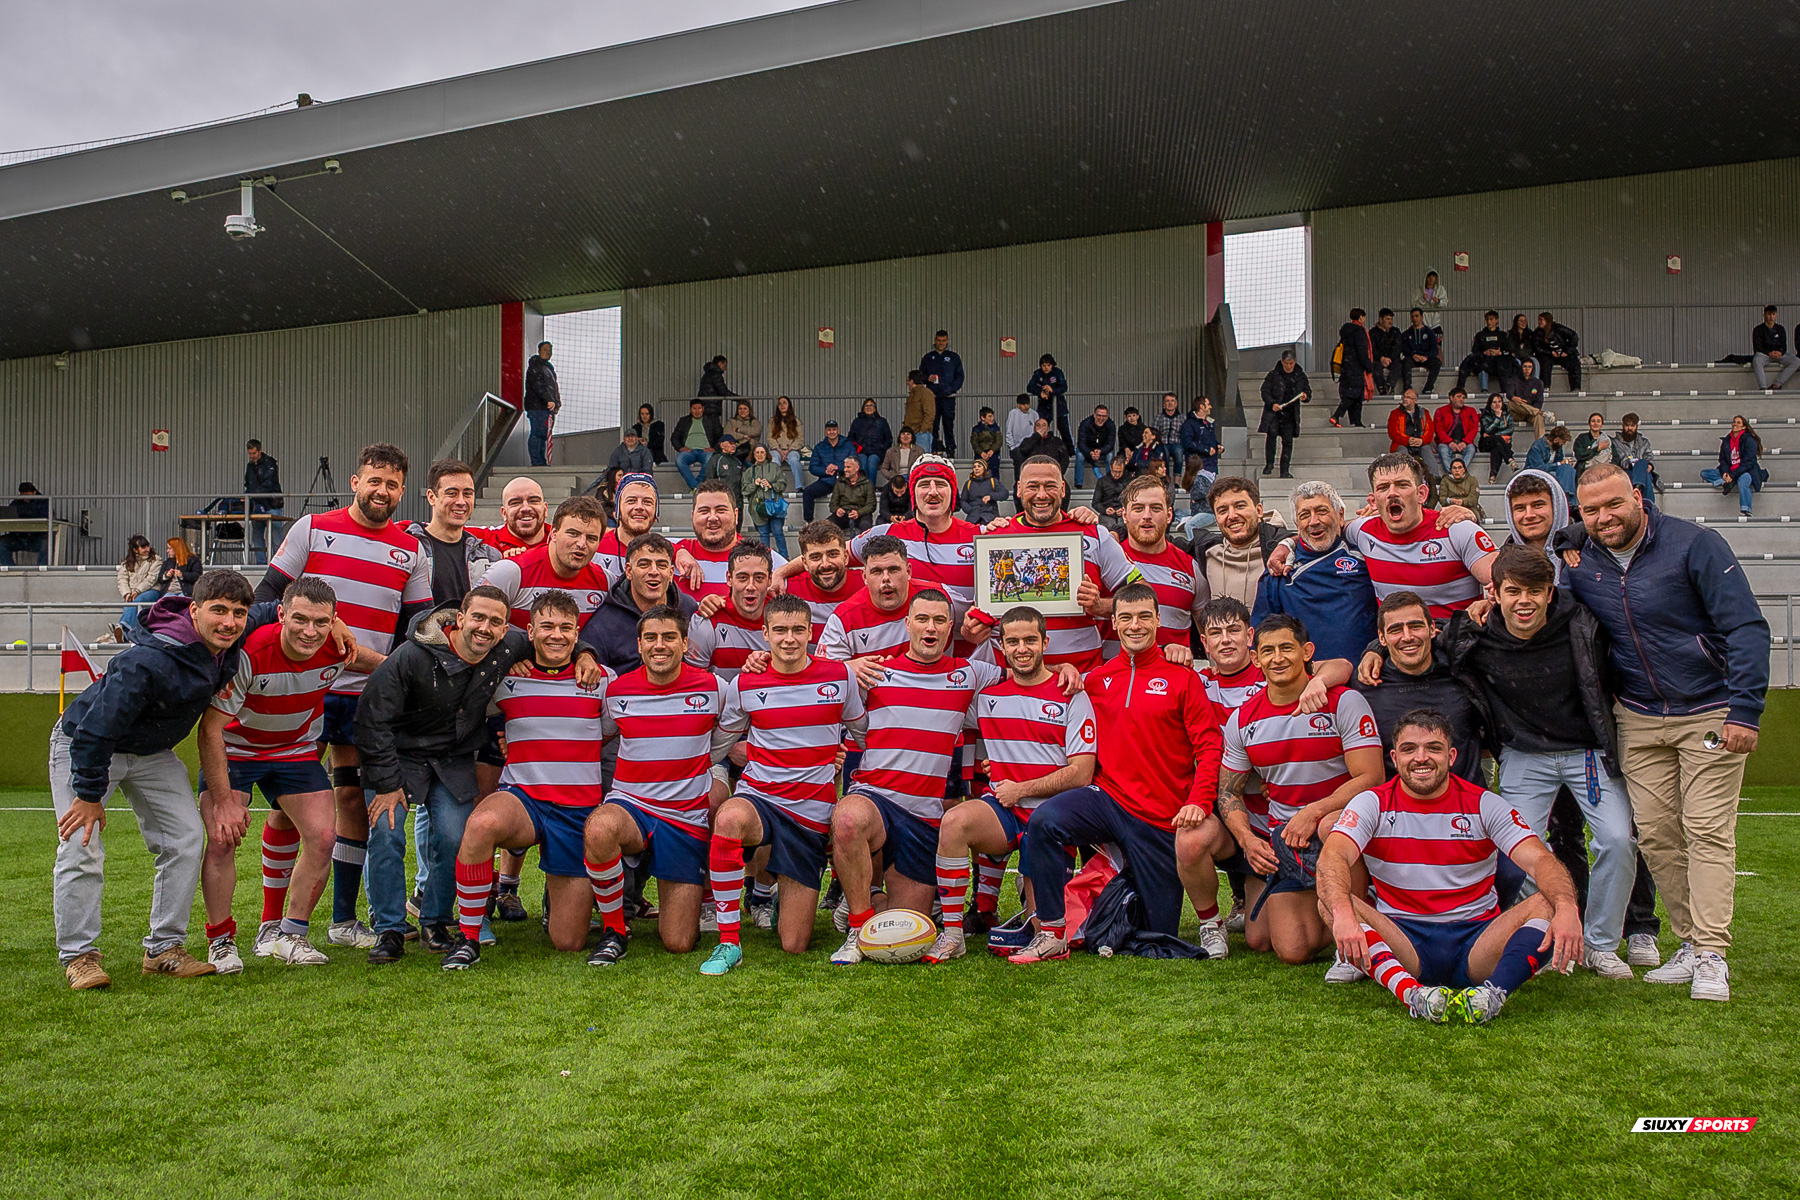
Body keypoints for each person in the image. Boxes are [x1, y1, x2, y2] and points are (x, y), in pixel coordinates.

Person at [1555, 465, 1770, 1002]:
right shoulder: (1581, 561)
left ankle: (1713, 955)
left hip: (1710, 709)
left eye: (1614, 505)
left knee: (1706, 830)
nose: (1604, 518)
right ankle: (1692, 943)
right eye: (1590, 511)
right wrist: (1567, 539)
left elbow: (1747, 627)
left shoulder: (1696, 544)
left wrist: (1744, 710)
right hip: (1639, 716)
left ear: (1639, 498)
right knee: (1655, 835)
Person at [356, 586, 597, 962]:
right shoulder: (410, 657)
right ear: (460, 619)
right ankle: (388, 929)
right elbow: (371, 719)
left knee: (454, 836)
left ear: (506, 631)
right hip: (399, 754)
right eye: (478, 618)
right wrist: (386, 785)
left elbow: (559, 636)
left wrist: (586, 654)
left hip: (452, 755)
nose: (485, 627)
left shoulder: (509, 646)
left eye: (496, 622)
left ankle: (435, 920)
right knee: (388, 833)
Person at [257, 443, 433, 951]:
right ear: (355, 482)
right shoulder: (312, 528)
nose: (382, 491)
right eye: (373, 480)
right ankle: (272, 925)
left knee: (354, 800)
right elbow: (269, 599)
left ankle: (342, 919)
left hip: (366, 698)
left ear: (402, 492)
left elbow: (415, 629)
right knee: (290, 804)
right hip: (304, 690)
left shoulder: (411, 550)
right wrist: (324, 627)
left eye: (392, 484)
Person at [51, 570, 260, 988]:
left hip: (151, 753)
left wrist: (335, 621)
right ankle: (79, 955)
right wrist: (90, 795)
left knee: (185, 838)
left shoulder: (227, 638)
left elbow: (272, 609)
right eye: (219, 610)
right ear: (194, 610)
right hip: (88, 746)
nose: (229, 622)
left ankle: (164, 948)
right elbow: (95, 731)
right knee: (81, 844)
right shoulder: (147, 660)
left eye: (239, 613)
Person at [1438, 545, 1639, 979]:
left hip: (1585, 751)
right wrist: (1375, 650)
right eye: (1513, 591)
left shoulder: (1583, 624)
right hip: (1524, 754)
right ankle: (1538, 933)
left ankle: (1601, 943)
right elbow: (1415, 640)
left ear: (1550, 593)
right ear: (1495, 592)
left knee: (1618, 840)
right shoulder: (1473, 632)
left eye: (1534, 591)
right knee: (1516, 852)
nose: (1523, 601)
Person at [1317, 710, 1582, 1023]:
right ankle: (1412, 994)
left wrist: (1567, 907)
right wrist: (1345, 915)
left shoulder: (1484, 804)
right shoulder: (1372, 802)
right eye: (1409, 749)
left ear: (1451, 755)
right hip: (1404, 937)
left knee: (1550, 901)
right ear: (1394, 757)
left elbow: (1541, 859)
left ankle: (1492, 995)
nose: (1421, 758)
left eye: (1433, 748)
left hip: (1476, 940)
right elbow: (1333, 856)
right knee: (1331, 901)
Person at [1014, 583, 1221, 962]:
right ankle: (1052, 932)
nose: (1135, 625)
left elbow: (1209, 746)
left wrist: (1198, 801)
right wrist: (1065, 669)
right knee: (1045, 822)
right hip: (1108, 799)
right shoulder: (1095, 680)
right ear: (1114, 622)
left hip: (1160, 818)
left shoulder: (1182, 678)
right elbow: (1044, 703)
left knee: (1158, 934)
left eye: (1144, 616)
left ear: (1159, 620)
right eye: (1126, 617)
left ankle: (1114, 885)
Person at [827, 590, 1006, 964]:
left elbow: (1024, 673)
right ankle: (857, 927)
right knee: (847, 818)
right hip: (875, 797)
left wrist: (1066, 671)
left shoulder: (969, 673)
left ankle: (857, 900)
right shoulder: (874, 671)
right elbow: (814, 681)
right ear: (907, 624)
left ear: (950, 628)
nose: (931, 628)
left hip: (924, 817)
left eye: (940, 621)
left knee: (907, 926)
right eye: (922, 619)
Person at [195, 577, 363, 969]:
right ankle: (221, 941)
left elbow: (374, 662)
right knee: (222, 839)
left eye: (322, 622)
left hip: (294, 751)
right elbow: (210, 728)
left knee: (323, 837)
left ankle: (288, 934)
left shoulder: (337, 649)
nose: (310, 631)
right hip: (235, 750)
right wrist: (222, 801)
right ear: (282, 614)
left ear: (334, 621)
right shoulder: (250, 651)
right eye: (300, 619)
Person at [440, 591, 609, 970]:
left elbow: (613, 731)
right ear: (529, 631)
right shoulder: (506, 678)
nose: (556, 635)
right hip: (525, 799)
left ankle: (562, 907)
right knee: (482, 823)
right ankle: (469, 935)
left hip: (577, 810)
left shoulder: (599, 680)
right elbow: (468, 715)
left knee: (569, 942)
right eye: (546, 626)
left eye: (566, 628)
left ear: (578, 633)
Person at [1202, 616, 1384, 966]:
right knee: (1289, 949)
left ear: (1307, 652)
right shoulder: (1242, 720)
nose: (1278, 658)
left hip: (1339, 826)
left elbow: (1371, 777)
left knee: (1332, 825)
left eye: (1287, 648)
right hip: (1288, 839)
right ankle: (1334, 906)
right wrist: (1247, 840)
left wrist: (1313, 812)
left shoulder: (1343, 701)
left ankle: (1363, 914)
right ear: (1256, 659)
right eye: (1268, 651)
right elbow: (1228, 793)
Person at [700, 595, 867, 972]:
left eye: (797, 630)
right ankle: (729, 942)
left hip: (810, 813)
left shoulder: (840, 677)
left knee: (793, 943)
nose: (789, 639)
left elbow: (863, 735)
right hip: (760, 797)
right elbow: (719, 745)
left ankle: (778, 897)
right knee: (728, 819)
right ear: (766, 634)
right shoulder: (745, 683)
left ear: (811, 632)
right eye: (779, 630)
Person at [925, 607, 1097, 963]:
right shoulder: (988, 698)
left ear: (1045, 642)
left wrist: (1022, 788)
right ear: (1001, 647)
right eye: (1013, 641)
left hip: (1051, 820)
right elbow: (937, 690)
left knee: (1045, 930)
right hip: (1004, 810)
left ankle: (1034, 910)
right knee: (954, 821)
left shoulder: (1072, 694)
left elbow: (1081, 773)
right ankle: (953, 934)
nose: (1022, 648)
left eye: (1031, 640)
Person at [580, 605, 725, 965]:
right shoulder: (616, 691)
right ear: (640, 645)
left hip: (685, 817)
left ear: (685, 643)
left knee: (678, 942)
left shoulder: (715, 687)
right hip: (632, 805)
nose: (659, 645)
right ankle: (614, 931)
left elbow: (740, 731)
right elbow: (597, 736)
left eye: (669, 637)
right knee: (599, 828)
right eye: (651, 638)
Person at [974, 456, 1141, 673]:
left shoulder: (1093, 534)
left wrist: (1100, 606)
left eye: (1050, 486)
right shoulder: (995, 538)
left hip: (1083, 678)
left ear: (1063, 489)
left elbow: (1141, 594)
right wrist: (973, 629)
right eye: (1032, 486)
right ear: (1018, 490)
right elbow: (978, 614)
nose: (1041, 494)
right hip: (1015, 684)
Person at [1354, 592, 1493, 788]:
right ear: (1382, 638)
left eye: (1415, 626)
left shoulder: (1463, 667)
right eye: (1395, 630)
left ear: (1432, 628)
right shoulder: (1364, 683)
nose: (1407, 637)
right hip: (1396, 809)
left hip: (1467, 805)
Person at [1252, 480, 1376, 668]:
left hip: (1366, 678)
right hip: (1307, 685)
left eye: (1322, 511)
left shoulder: (1365, 555)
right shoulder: (1280, 570)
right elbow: (1262, 638)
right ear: (1297, 524)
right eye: (1304, 515)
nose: (1314, 521)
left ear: (1340, 515)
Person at [1106, 475, 1208, 655]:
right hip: (1115, 679)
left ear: (1169, 515)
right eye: (1138, 509)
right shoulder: (1105, 562)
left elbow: (1207, 632)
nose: (1147, 516)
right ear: (1124, 515)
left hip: (1173, 679)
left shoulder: (1191, 567)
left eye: (1155, 508)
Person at [483, 495, 611, 631]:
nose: (581, 544)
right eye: (573, 534)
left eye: (591, 538)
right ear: (554, 533)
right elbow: (475, 623)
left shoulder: (605, 581)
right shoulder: (510, 572)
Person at [580, 533, 700, 675]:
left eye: (661, 565)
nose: (654, 571)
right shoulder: (603, 623)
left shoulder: (689, 609)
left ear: (671, 573)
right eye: (644, 565)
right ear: (629, 571)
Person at [405, 459, 502, 608]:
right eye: (452, 493)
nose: (461, 501)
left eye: (468, 493)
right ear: (431, 497)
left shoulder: (488, 557)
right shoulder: (408, 549)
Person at [673, 479, 786, 602]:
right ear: (693, 516)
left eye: (721, 510)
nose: (712, 518)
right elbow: (650, 542)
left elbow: (807, 562)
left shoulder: (763, 559)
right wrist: (677, 551)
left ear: (736, 515)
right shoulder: (672, 554)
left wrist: (784, 571)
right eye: (704, 511)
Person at [818, 534, 919, 662]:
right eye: (876, 571)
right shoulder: (844, 618)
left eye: (893, 570)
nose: (885, 578)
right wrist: (850, 669)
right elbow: (826, 674)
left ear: (908, 571)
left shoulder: (940, 601)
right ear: (864, 577)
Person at [1193, 476, 1283, 608]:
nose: (1232, 515)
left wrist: (1290, 542)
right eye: (1223, 511)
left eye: (1240, 506)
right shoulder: (1207, 551)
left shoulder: (1282, 549)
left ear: (1259, 510)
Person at [784, 521, 863, 653]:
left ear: (846, 557)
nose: (825, 564)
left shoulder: (867, 585)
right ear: (804, 563)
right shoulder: (787, 590)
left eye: (833, 555)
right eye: (816, 557)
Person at [592, 474, 658, 581]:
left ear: (656, 512)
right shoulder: (593, 548)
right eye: (631, 501)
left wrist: (680, 552)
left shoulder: (666, 554)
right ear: (617, 511)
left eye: (647, 502)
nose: (639, 507)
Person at [1701, 414, 1766, 516]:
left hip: (1745, 471)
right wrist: (1725, 473)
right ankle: (1725, 481)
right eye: (1734, 422)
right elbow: (1723, 460)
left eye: (1738, 422)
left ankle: (1746, 509)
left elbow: (1749, 463)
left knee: (1744, 481)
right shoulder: (1727, 441)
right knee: (1705, 473)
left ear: (1744, 427)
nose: (1735, 424)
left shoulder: (1749, 441)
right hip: (1730, 471)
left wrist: (1733, 475)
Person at [468, 476, 549, 557]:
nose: (526, 508)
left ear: (545, 509)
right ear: (504, 513)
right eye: (515, 503)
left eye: (533, 501)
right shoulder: (484, 539)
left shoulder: (558, 539)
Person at [1259, 350, 1310, 477]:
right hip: (1275, 412)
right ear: (1282, 362)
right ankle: (1269, 463)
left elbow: (1307, 391)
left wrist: (1305, 396)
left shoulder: (1300, 376)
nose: (1289, 366)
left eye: (1291, 363)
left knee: (1288, 441)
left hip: (1290, 413)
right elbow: (1265, 391)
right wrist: (1272, 403)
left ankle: (1285, 469)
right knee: (1271, 436)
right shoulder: (1273, 375)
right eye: (1286, 363)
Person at [922, 330, 965, 456]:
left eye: (943, 341)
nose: (941, 343)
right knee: (933, 424)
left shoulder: (953, 357)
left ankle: (950, 449)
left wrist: (951, 390)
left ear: (947, 341)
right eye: (939, 340)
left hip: (948, 397)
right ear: (935, 340)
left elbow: (960, 376)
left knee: (948, 425)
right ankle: (934, 450)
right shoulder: (928, 357)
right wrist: (927, 378)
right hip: (932, 397)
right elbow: (920, 375)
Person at [1331, 308, 1376, 428]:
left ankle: (1356, 421)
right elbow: (1362, 352)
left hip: (1346, 368)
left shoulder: (1346, 331)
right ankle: (1337, 415)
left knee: (1356, 396)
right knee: (1353, 395)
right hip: (1356, 369)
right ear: (1361, 317)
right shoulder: (1359, 331)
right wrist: (1369, 366)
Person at [743, 444, 790, 556]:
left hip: (774, 506)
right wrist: (754, 484)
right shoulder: (749, 471)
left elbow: (783, 484)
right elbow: (744, 490)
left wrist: (771, 485)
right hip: (758, 508)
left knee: (778, 532)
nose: (759, 455)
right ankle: (766, 558)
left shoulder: (774, 467)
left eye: (762, 452)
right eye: (757, 453)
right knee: (763, 534)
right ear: (753, 455)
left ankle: (784, 557)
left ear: (766, 454)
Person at [803, 420, 854, 522]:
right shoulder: (819, 447)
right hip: (826, 482)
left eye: (834, 429)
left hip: (845, 481)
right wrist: (825, 471)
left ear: (838, 430)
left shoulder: (848, 445)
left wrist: (838, 467)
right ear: (825, 431)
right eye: (829, 430)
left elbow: (855, 462)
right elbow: (812, 467)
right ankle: (809, 522)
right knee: (807, 492)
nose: (832, 432)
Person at [1455, 311, 1517, 394]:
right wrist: (1484, 352)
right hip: (1484, 361)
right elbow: (1475, 350)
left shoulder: (1503, 335)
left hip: (1500, 362)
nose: (1489, 322)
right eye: (1487, 319)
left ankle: (1505, 390)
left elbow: (1509, 349)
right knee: (1481, 367)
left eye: (1491, 319)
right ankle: (1483, 390)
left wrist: (1499, 352)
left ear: (1496, 320)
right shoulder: (1480, 335)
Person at [243, 439, 283, 563]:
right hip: (257, 505)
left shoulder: (270, 463)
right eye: (250, 454)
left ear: (260, 451)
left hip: (271, 504)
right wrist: (247, 496)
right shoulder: (250, 466)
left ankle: (279, 564)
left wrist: (252, 494)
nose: (252, 456)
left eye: (254, 453)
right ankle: (260, 563)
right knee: (257, 536)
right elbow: (248, 483)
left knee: (276, 537)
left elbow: (269, 484)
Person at [1385, 388, 1438, 482]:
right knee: (1402, 452)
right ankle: (1405, 478)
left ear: (1415, 400)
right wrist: (1408, 440)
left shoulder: (1424, 413)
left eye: (1408, 397)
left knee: (1427, 449)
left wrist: (1422, 440)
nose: (1405, 399)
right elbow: (1393, 433)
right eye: (1404, 397)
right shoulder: (1395, 413)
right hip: (1402, 443)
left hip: (1420, 443)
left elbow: (1430, 431)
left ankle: (1434, 478)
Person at [115, 534, 162, 638]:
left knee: (138, 601)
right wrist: (126, 594)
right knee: (131, 602)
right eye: (143, 547)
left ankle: (123, 627)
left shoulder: (156, 560)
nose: (147, 549)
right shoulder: (126, 563)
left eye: (147, 546)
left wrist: (137, 591)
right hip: (132, 592)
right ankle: (126, 634)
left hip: (151, 590)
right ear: (135, 550)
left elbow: (151, 579)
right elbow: (122, 579)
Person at [671, 399, 723, 490]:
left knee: (710, 460)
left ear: (703, 409)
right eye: (694, 408)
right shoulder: (684, 421)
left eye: (699, 408)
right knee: (679, 460)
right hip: (689, 452)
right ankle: (696, 486)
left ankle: (696, 486)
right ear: (690, 409)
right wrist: (680, 448)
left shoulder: (711, 420)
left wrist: (714, 448)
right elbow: (674, 437)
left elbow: (720, 436)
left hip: (705, 451)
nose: (697, 411)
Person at [523, 342, 561, 467]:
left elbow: (553, 387)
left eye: (550, 350)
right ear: (539, 350)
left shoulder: (548, 368)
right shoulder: (536, 366)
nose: (548, 352)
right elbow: (538, 386)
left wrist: (557, 402)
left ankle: (541, 461)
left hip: (546, 408)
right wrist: (548, 400)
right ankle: (537, 461)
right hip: (537, 406)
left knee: (543, 434)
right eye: (545, 349)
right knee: (537, 433)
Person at [1613, 412, 1659, 510]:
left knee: (1643, 465)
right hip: (1626, 471)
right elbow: (1621, 459)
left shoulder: (1644, 442)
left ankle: (1637, 488)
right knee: (1644, 473)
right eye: (1627, 425)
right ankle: (1649, 505)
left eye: (1632, 425)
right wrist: (1634, 463)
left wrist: (1650, 465)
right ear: (1622, 426)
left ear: (1636, 426)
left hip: (1643, 469)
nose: (1630, 428)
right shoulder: (1615, 442)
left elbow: (1649, 455)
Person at [1027, 353, 1071, 448]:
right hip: (1044, 407)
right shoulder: (1037, 374)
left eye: (1048, 365)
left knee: (1064, 431)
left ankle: (1070, 453)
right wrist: (1040, 392)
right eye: (1043, 365)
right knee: (1040, 429)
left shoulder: (1058, 373)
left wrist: (1052, 390)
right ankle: (1039, 449)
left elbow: (1064, 387)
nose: (1046, 368)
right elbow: (1030, 387)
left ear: (1052, 365)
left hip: (1059, 406)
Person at [1180, 395, 1221, 494]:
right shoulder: (1189, 424)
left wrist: (1218, 446)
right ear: (1202, 406)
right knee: (1200, 495)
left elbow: (1210, 440)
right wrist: (1206, 449)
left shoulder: (1209, 423)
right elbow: (1187, 443)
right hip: (1198, 466)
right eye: (1208, 404)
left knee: (1209, 494)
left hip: (1211, 465)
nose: (1210, 407)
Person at [1432, 389, 1480, 476]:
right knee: (1442, 448)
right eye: (1458, 396)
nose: (1461, 399)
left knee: (1471, 448)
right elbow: (1439, 429)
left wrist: (1465, 442)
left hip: (1464, 442)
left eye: (1463, 397)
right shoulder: (1440, 411)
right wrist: (1449, 442)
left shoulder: (1471, 411)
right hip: (1446, 443)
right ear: (1451, 397)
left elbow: (1474, 429)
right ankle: (1452, 473)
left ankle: (1460, 471)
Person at [0, 481, 49, 565]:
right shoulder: (16, 502)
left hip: (37, 537)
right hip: (18, 537)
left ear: (34, 492)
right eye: (23, 496)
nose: (25, 499)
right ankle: (10, 569)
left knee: (46, 544)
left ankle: (42, 570)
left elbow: (44, 518)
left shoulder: (44, 502)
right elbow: (8, 513)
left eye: (28, 496)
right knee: (1, 543)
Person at [1525, 424, 1578, 499]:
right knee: (1562, 475)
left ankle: (1568, 500)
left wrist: (1566, 463)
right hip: (1536, 474)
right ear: (1556, 440)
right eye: (1562, 442)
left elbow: (1560, 463)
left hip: (1552, 471)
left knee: (1569, 469)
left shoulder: (1557, 447)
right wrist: (1559, 464)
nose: (1563, 445)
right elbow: (1538, 468)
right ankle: (1565, 498)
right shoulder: (1537, 447)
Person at [1532, 312, 1582, 390]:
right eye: (1538, 320)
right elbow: (1537, 348)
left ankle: (1576, 387)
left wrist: (1568, 351)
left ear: (1547, 320)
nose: (1539, 322)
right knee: (1544, 363)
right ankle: (1545, 387)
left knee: (1574, 363)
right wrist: (1550, 352)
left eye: (1541, 320)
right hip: (1549, 356)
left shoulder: (1558, 328)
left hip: (1563, 354)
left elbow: (1574, 336)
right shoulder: (1538, 333)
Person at [766, 396, 806, 491]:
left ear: (789, 405)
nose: (782, 405)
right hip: (776, 450)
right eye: (780, 403)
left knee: (794, 460)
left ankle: (799, 486)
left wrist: (789, 450)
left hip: (792, 450)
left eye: (784, 403)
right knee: (774, 460)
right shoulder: (773, 421)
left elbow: (799, 439)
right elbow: (770, 437)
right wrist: (778, 449)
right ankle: (772, 487)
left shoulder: (796, 421)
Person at [1752, 305, 1796, 390]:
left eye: (1773, 314)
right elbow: (1757, 347)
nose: (1771, 317)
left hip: (1779, 355)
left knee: (1796, 361)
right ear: (1764, 315)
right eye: (1769, 314)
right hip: (1765, 355)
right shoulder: (1758, 329)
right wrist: (1769, 352)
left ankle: (1777, 384)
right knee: (1757, 360)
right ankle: (1763, 387)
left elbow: (1784, 345)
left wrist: (1780, 352)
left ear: (1776, 315)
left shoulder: (1780, 328)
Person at [829, 455, 875, 533]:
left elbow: (871, 505)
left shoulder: (867, 483)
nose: (845, 470)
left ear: (857, 468)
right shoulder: (839, 482)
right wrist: (837, 510)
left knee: (866, 526)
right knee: (826, 525)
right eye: (844, 467)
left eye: (848, 467)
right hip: (844, 513)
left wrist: (859, 512)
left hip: (861, 514)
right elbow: (833, 504)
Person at [1400, 308, 1441, 394]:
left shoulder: (1430, 333)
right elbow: (1404, 349)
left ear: (1422, 317)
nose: (1415, 318)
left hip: (1426, 358)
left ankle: (1428, 388)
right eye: (1412, 316)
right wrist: (1413, 355)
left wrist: (1426, 356)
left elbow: (1435, 350)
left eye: (1417, 316)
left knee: (1436, 362)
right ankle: (1407, 388)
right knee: (1405, 362)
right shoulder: (1406, 334)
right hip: (1412, 358)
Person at [848, 398, 891, 481]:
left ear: (875, 408)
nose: (869, 407)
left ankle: (871, 488)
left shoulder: (882, 421)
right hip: (861, 451)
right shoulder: (857, 422)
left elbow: (888, 439)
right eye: (866, 405)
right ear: (863, 408)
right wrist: (854, 449)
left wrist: (882, 448)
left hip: (877, 452)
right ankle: (862, 487)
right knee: (862, 463)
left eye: (871, 405)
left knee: (872, 462)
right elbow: (850, 438)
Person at [1074, 404, 1116, 488]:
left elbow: (1110, 444)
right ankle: (1078, 484)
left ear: (1107, 417)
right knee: (1079, 456)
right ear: (1094, 415)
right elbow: (1081, 443)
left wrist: (1100, 451)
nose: (1101, 418)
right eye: (1099, 415)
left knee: (1110, 456)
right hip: (1087, 450)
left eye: (1104, 416)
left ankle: (1110, 482)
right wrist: (1090, 452)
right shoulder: (1085, 424)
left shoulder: (1110, 425)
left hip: (1103, 451)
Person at [1478, 394, 1515, 483]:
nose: (1497, 404)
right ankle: (1509, 458)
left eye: (1499, 402)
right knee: (1496, 439)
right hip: (1486, 443)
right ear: (1490, 404)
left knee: (1496, 450)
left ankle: (1493, 476)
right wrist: (1497, 418)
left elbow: (1510, 430)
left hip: (1501, 443)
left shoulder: (1508, 415)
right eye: (1494, 402)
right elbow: (1486, 429)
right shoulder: (1485, 415)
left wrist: (1494, 434)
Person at [1573, 412, 1621, 480]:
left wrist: (1609, 467)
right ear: (1589, 424)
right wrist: (1597, 449)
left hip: (1605, 470)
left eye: (1598, 421)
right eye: (1593, 421)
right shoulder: (1582, 438)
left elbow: (1615, 457)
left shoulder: (1607, 439)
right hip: (1586, 471)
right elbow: (1579, 454)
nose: (1596, 423)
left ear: (1601, 424)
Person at [1436, 456, 1484, 522]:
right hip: (1450, 508)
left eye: (1459, 467)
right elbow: (1442, 498)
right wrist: (1450, 501)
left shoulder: (1472, 480)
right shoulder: (1445, 480)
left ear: (1464, 469)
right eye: (1454, 468)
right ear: (1451, 470)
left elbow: (1473, 499)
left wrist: (1462, 501)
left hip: (1469, 508)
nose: (1457, 470)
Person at [959, 457, 1004, 526]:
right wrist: (970, 510)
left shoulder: (993, 481)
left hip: (990, 517)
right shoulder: (968, 483)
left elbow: (1004, 493)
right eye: (974, 467)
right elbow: (963, 501)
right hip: (973, 519)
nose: (976, 468)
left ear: (985, 468)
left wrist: (991, 496)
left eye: (979, 466)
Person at [1150, 393, 1185, 481]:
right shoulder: (1159, 417)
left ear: (1176, 403)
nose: (1170, 403)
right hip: (1163, 443)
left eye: (1172, 401)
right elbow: (1154, 432)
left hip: (1176, 443)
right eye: (1167, 401)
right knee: (1164, 454)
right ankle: (1167, 480)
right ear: (1164, 404)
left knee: (1179, 453)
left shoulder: (1182, 418)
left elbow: (1185, 433)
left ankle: (1176, 481)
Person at [1369, 308, 1402, 397]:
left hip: (1392, 359)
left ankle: (1389, 386)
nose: (1390, 321)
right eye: (1387, 319)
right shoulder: (1372, 333)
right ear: (1380, 319)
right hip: (1378, 359)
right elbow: (1371, 348)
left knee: (1398, 364)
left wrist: (1389, 359)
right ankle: (1381, 388)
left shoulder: (1395, 331)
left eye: (1391, 319)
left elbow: (1398, 347)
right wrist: (1381, 358)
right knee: (1375, 366)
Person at [1004, 393, 1035, 484]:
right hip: (1017, 447)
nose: (1026, 406)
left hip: (1031, 447)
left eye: (1027, 404)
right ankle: (1019, 483)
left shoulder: (1034, 414)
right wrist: (1012, 447)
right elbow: (1009, 432)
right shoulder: (1013, 413)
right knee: (1019, 460)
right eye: (1023, 404)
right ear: (1018, 405)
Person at [1092, 456, 1129, 532]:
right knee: (1108, 527)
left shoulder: (1129, 481)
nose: (1117, 474)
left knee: (1123, 525)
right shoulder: (1102, 481)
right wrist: (1105, 510)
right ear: (1110, 468)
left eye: (1119, 472)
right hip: (1106, 514)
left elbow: (1133, 500)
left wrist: (1125, 509)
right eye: (1115, 471)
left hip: (1123, 513)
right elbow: (1095, 503)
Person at [703, 432, 745, 499]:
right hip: (720, 499)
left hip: (736, 500)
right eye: (730, 443)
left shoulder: (738, 462)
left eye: (734, 443)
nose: (733, 445)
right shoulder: (716, 459)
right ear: (722, 445)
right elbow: (709, 480)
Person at [878, 426, 921, 490]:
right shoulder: (891, 451)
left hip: (912, 479)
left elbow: (922, 467)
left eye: (908, 434)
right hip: (896, 478)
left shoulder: (919, 451)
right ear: (900, 437)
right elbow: (884, 468)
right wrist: (891, 476)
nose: (905, 436)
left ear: (912, 438)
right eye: (903, 434)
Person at [904, 371, 936, 452]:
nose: (907, 383)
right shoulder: (912, 395)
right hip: (911, 433)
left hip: (921, 434)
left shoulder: (926, 393)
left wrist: (923, 430)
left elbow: (929, 414)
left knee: (923, 461)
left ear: (911, 381)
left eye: (908, 381)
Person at [725, 399, 762, 465]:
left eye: (745, 408)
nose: (742, 411)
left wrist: (739, 430)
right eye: (740, 408)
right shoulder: (731, 421)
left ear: (749, 410)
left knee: (751, 464)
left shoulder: (754, 421)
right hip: (735, 450)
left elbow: (756, 431)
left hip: (750, 451)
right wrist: (743, 436)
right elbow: (727, 434)